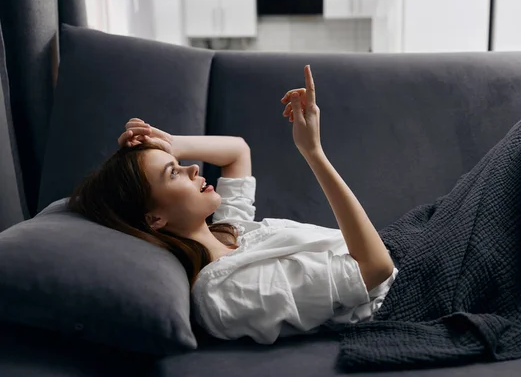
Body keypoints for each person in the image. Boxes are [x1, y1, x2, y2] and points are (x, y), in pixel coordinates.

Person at [67, 65, 398, 344]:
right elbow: (374, 269)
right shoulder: (225, 292)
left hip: (400, 251)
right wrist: (314, 152)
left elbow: (237, 151)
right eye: (173, 173)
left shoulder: (227, 232)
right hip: (398, 294)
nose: (193, 167)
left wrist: (168, 145)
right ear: (154, 219)